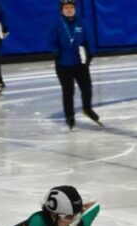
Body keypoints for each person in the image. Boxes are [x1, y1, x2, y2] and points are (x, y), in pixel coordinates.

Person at [49, 0, 99, 130]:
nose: (69, 9)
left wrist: (90, 54)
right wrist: (56, 53)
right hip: (63, 65)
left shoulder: (81, 22)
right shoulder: (57, 24)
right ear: (62, 10)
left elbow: (88, 39)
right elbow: (52, 42)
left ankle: (87, 108)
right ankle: (69, 117)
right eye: (66, 7)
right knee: (68, 91)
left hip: (79, 63)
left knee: (87, 87)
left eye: (71, 7)